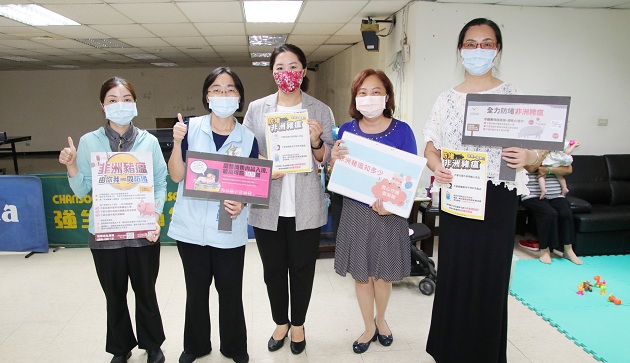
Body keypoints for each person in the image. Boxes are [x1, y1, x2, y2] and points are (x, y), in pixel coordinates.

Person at [423, 18, 536, 362]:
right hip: (459, 195)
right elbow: (431, 145)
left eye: (487, 44)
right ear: (460, 50)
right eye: (471, 44)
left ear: (497, 50)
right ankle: (449, 351)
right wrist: (434, 163)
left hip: (498, 199)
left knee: (490, 278)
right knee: (455, 275)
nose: (478, 51)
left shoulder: (512, 95)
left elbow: (535, 153)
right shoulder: (446, 100)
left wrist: (529, 156)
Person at [58, 77, 167, 363]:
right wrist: (71, 166)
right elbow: (82, 190)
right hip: (105, 234)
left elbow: (160, 182)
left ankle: (152, 344)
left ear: (135, 103)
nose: (121, 105)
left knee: (146, 291)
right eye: (113, 100)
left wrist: (155, 217)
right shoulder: (89, 141)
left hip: (143, 232)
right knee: (114, 295)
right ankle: (121, 348)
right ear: (102, 106)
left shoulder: (149, 141)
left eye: (127, 99)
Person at [243, 43, 334, 355]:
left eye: (294, 66)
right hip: (268, 207)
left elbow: (329, 158)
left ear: (304, 71)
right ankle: (280, 321)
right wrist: (266, 170)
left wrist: (317, 141)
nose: (287, 73)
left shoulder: (320, 110)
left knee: (302, 269)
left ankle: (298, 325)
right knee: (273, 271)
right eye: (280, 68)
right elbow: (246, 157)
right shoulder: (257, 109)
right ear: (272, 73)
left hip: (305, 207)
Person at [167, 67, 257, 363]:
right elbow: (177, 176)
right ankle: (195, 346)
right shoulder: (190, 129)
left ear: (239, 97)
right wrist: (178, 142)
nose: (223, 95)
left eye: (230, 89)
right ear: (207, 97)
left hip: (227, 226)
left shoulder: (247, 137)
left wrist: (242, 202)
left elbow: (251, 184)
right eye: (216, 89)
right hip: (191, 227)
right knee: (196, 291)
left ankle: (234, 347)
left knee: (230, 291)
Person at [330, 69, 417, 354]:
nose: (369, 98)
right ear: (355, 98)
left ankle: (382, 320)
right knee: (361, 275)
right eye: (363, 92)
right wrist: (333, 160)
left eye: (376, 91)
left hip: (387, 215)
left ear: (387, 96)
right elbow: (339, 174)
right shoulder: (346, 130)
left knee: (383, 275)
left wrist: (391, 204)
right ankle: (368, 326)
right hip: (356, 213)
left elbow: (409, 177)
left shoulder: (402, 130)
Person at [521, 149, 583, 265]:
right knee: (549, 214)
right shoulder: (528, 150)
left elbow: (568, 169)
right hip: (532, 193)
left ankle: (568, 250)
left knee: (566, 213)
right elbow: (531, 168)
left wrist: (549, 169)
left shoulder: (556, 151)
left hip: (555, 193)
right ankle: (544, 250)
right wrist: (544, 153)